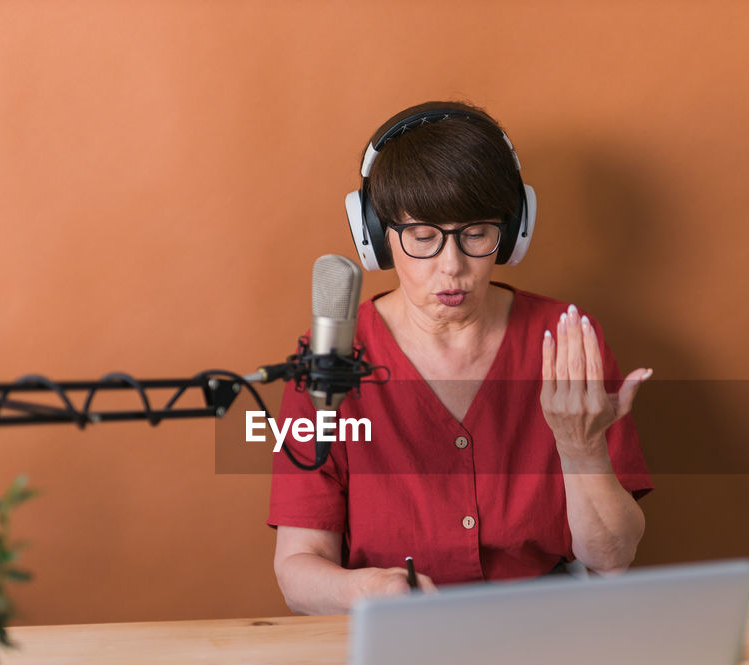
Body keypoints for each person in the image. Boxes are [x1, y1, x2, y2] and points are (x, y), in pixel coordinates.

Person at [268, 101, 652, 614]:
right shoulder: (327, 360)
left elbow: (612, 559)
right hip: (393, 626)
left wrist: (580, 449)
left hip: (545, 623)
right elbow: (298, 568)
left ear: (512, 231)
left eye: (476, 234)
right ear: (378, 237)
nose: (452, 267)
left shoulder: (567, 340)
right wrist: (366, 592)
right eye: (423, 237)